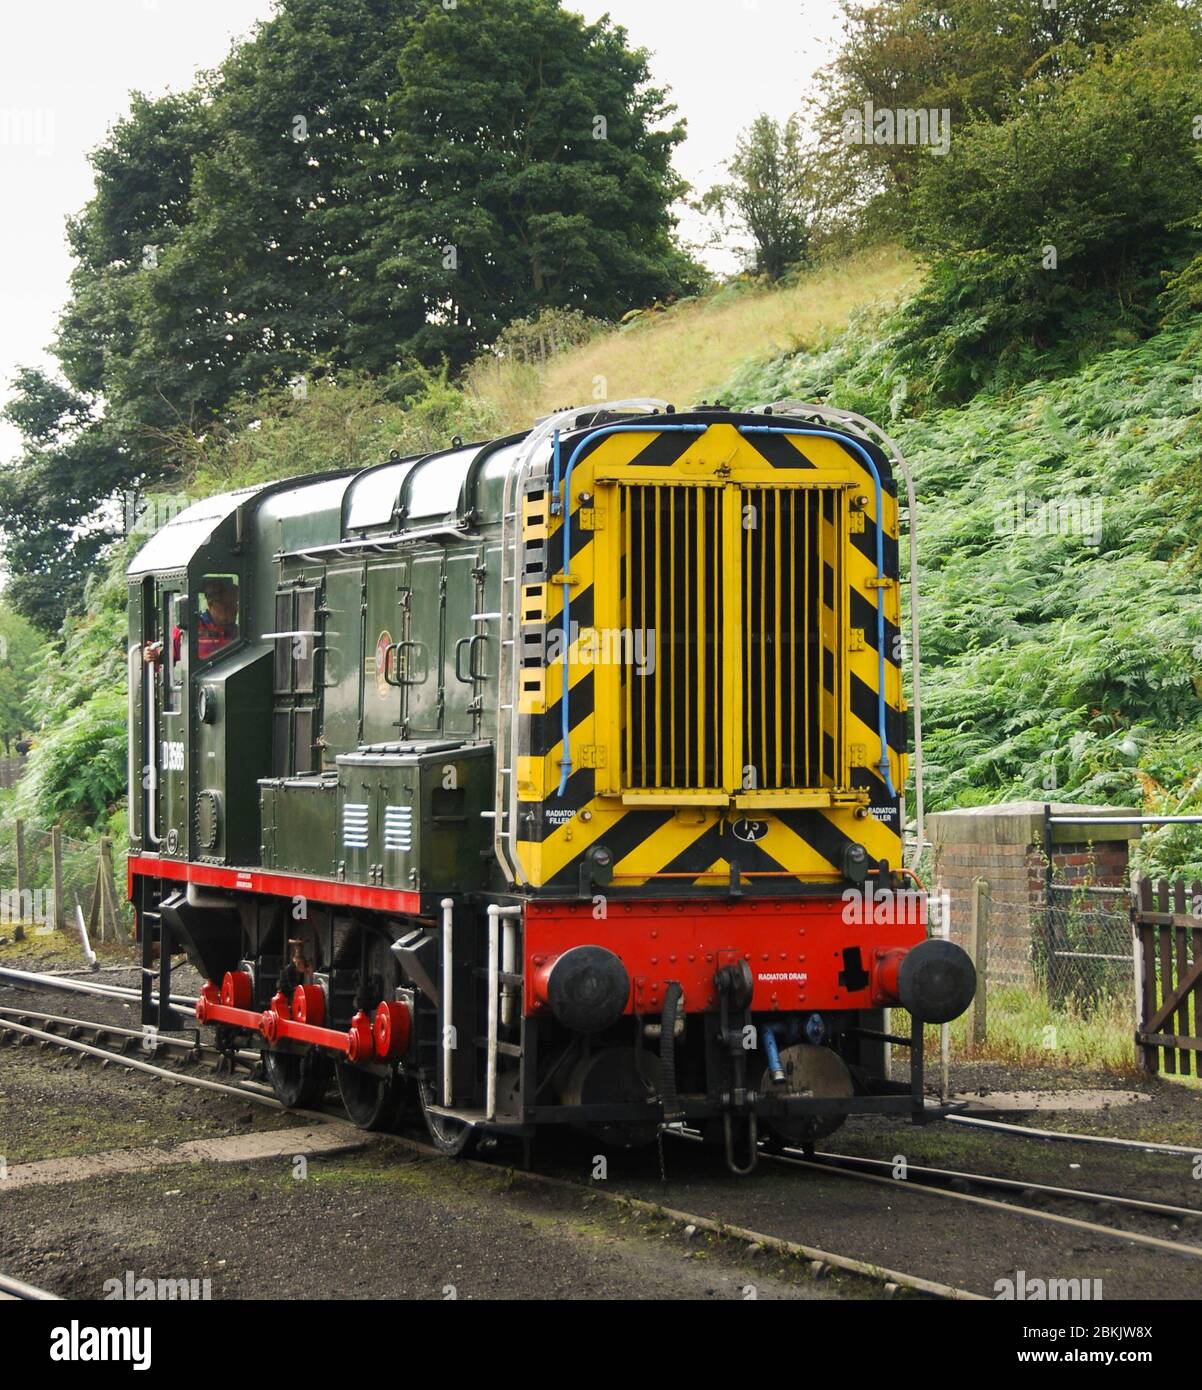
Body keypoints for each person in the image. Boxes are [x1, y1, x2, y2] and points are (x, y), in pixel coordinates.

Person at [197, 577, 239, 659]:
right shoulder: (193, 631)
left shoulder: (241, 633)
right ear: (211, 605)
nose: (234, 609)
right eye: (227, 605)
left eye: (235, 603)